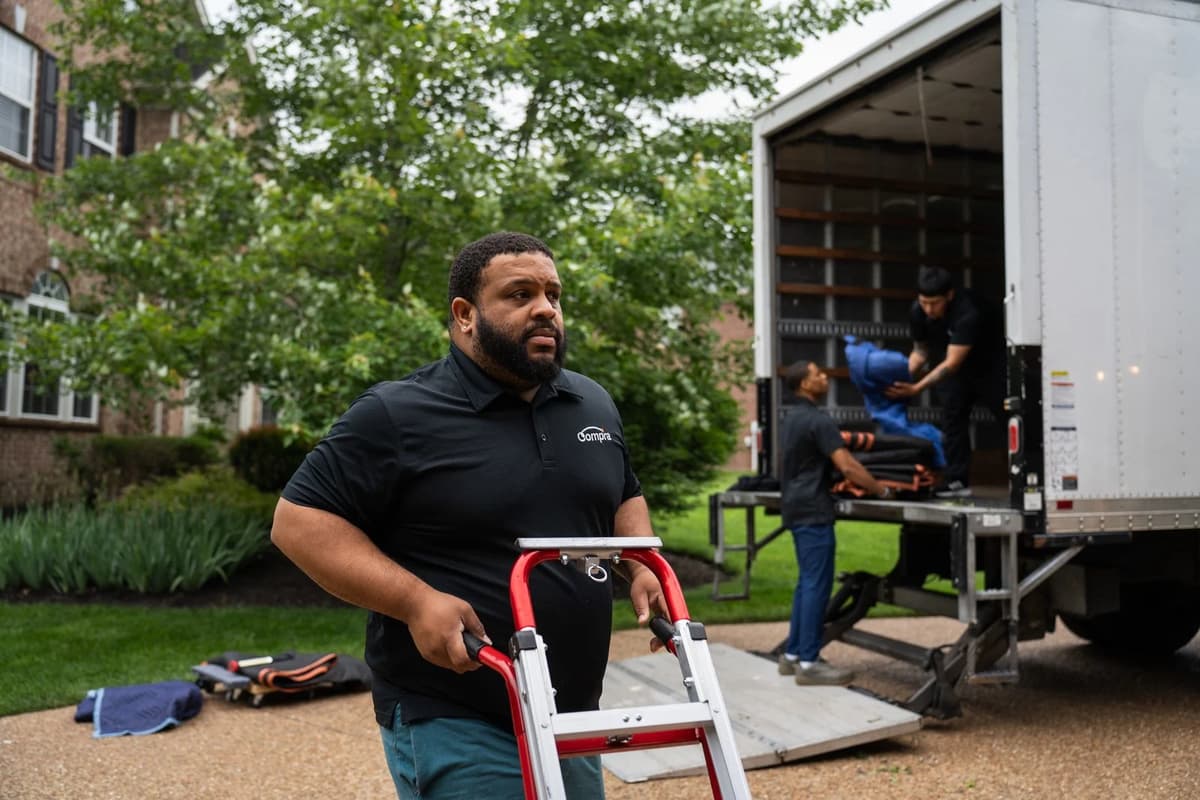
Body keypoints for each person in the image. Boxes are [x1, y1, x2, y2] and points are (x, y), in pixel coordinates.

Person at [270, 231, 665, 800]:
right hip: (457, 712)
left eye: (553, 295)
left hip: (572, 713)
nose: (546, 309)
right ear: (465, 315)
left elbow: (622, 494)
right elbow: (298, 522)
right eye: (520, 294)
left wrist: (640, 562)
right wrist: (415, 601)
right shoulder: (397, 412)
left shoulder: (592, 403)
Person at [778, 360, 893, 685]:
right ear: (804, 384)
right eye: (817, 374)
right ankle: (810, 664)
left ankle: (792, 656)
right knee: (816, 585)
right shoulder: (819, 420)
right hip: (814, 510)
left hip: (795, 506)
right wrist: (881, 490)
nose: (824, 377)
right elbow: (848, 466)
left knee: (806, 583)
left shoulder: (791, 419)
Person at [885, 266, 1004, 498]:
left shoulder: (968, 312)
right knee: (952, 417)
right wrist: (901, 379)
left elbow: (952, 363)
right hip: (954, 366)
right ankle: (957, 480)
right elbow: (920, 352)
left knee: (1009, 414)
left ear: (949, 295)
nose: (929, 309)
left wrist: (916, 388)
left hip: (989, 364)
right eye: (924, 302)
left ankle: (1031, 473)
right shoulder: (918, 311)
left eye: (934, 303)